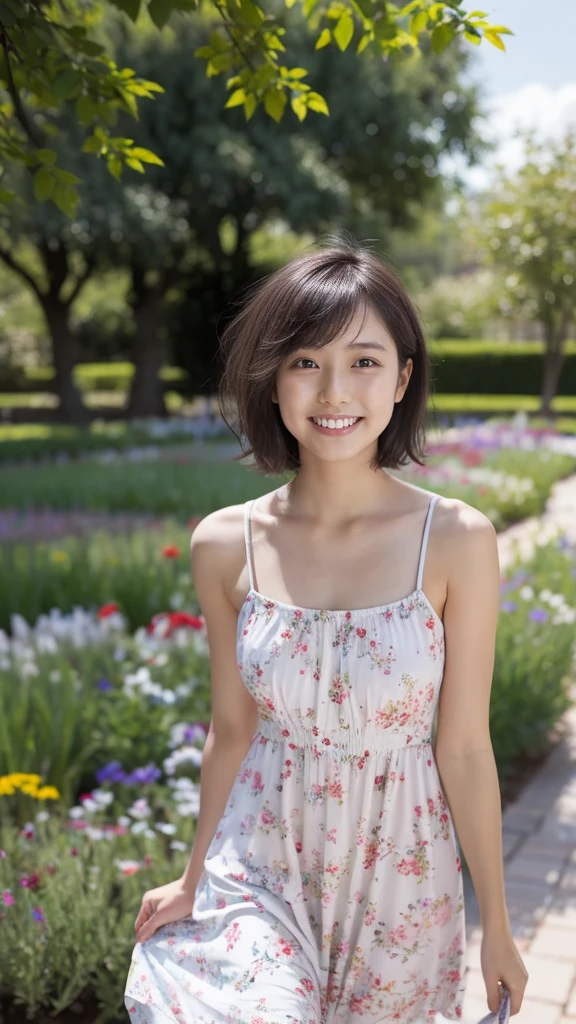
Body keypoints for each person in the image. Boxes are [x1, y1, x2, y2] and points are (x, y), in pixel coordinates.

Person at [124, 238, 528, 1024]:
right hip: (261, 862)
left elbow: (465, 747)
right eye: (305, 361)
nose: (334, 389)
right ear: (271, 379)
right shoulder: (224, 544)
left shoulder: (455, 539)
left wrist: (500, 930)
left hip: (401, 876)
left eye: (365, 361)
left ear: (403, 377)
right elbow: (231, 733)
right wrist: (192, 873)